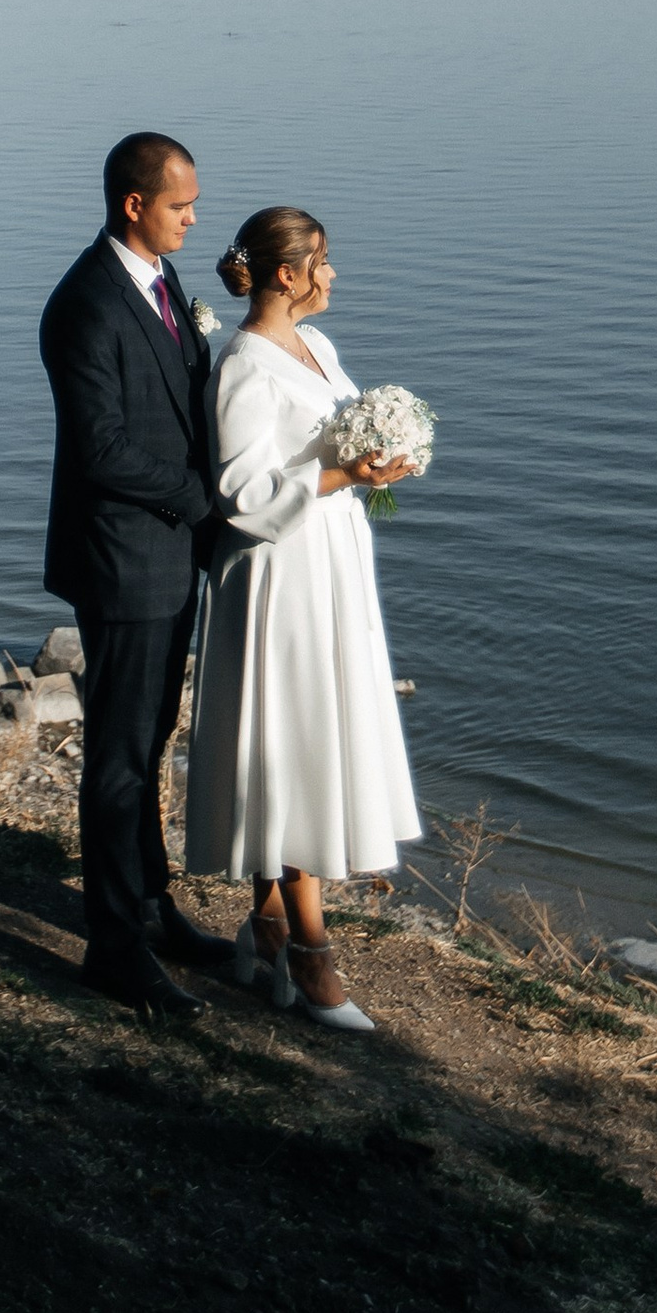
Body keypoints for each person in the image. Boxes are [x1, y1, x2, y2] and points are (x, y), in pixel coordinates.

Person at [184, 204, 421, 1032]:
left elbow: (331, 439)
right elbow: (240, 492)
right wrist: (337, 475)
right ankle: (313, 958)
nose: (332, 272)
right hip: (279, 575)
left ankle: (271, 928)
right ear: (287, 273)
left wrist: (383, 461)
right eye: (322, 259)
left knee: (305, 731)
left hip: (331, 564)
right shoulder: (243, 367)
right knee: (294, 738)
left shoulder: (316, 347)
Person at [38, 134, 237, 1023]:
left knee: (151, 742)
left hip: (166, 559)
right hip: (123, 560)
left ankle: (154, 909)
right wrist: (203, 498)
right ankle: (113, 947)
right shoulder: (86, 302)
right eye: (180, 204)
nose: (195, 216)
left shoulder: (160, 286)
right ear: (132, 203)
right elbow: (104, 449)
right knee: (118, 761)